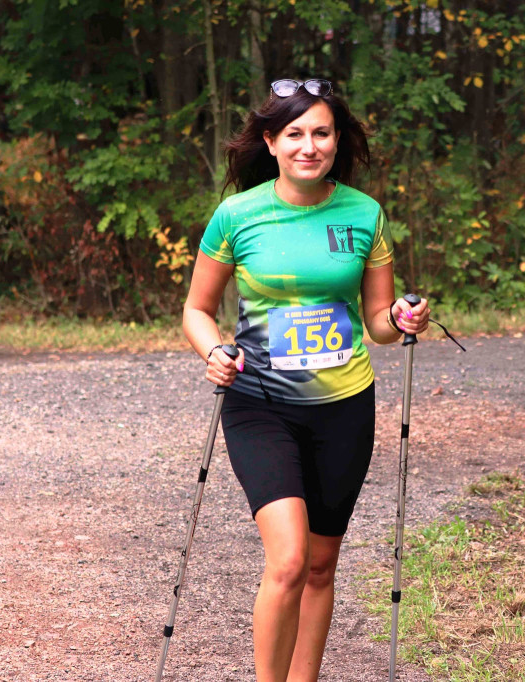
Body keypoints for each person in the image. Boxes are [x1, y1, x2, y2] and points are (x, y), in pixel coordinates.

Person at [182, 77, 430, 682]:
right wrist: (215, 350)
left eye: (321, 133)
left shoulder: (364, 213)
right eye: (294, 134)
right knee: (289, 560)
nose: (308, 146)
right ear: (270, 142)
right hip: (259, 402)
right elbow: (196, 311)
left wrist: (401, 318)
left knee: (321, 565)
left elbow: (377, 323)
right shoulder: (237, 216)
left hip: (344, 405)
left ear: (336, 140)